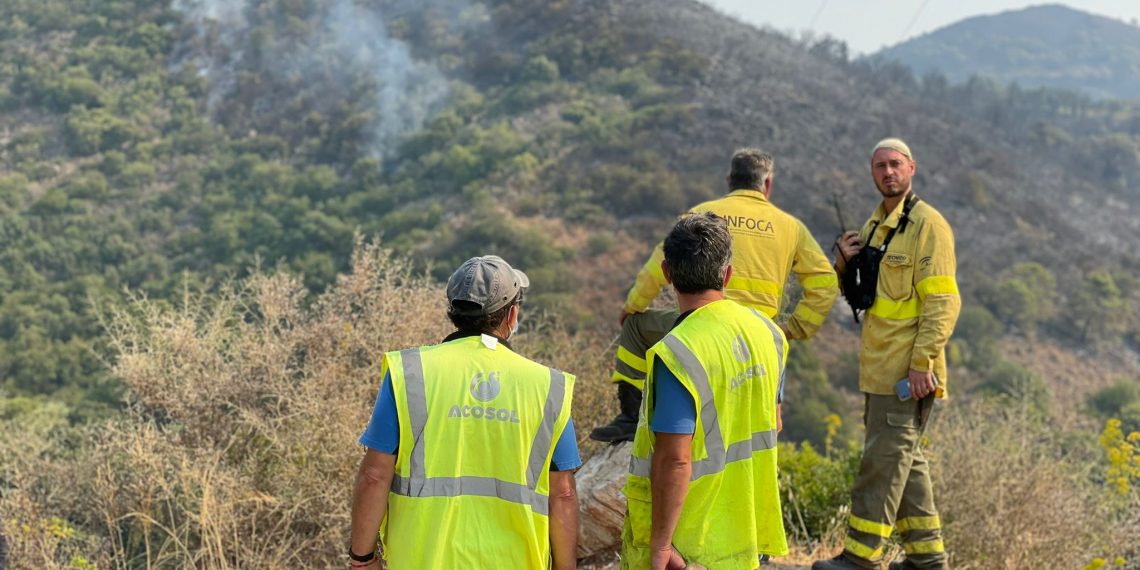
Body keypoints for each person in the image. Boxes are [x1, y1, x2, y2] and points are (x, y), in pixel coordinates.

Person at [348, 255, 581, 570]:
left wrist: (362, 558)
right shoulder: (547, 386)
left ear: (453, 312)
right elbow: (563, 494)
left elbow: (375, 475)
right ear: (512, 315)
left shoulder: (411, 373)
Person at [591, 149, 839, 443]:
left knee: (635, 326)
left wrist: (633, 306)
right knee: (768, 416)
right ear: (767, 184)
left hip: (701, 325)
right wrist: (795, 329)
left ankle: (631, 417)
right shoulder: (790, 226)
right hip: (760, 337)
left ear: (729, 180)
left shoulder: (700, 213)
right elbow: (825, 282)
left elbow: (658, 266)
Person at [813, 139, 960, 570]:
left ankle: (859, 559)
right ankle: (927, 560)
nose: (888, 172)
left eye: (896, 164)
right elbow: (861, 296)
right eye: (880, 166)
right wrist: (842, 262)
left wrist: (921, 364)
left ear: (913, 167)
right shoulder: (874, 225)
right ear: (872, 172)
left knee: (880, 465)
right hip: (878, 368)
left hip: (906, 373)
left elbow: (942, 303)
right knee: (905, 463)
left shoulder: (929, 226)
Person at [620, 212, 789, 569]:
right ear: (727, 274)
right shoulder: (769, 333)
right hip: (748, 532)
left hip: (693, 543)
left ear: (667, 274)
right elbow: (771, 422)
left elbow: (675, 458)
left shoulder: (679, 352)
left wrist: (661, 544)